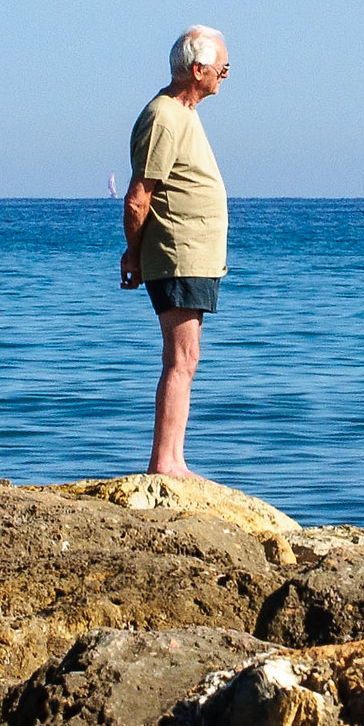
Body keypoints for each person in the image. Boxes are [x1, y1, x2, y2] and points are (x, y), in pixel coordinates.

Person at [120, 25, 231, 479]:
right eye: (222, 67)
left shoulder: (182, 113)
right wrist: (134, 254)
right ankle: (166, 463)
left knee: (186, 358)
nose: (226, 74)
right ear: (197, 69)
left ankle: (173, 458)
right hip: (177, 255)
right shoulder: (164, 116)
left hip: (191, 256)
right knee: (181, 359)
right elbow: (137, 197)